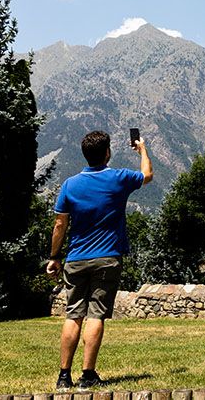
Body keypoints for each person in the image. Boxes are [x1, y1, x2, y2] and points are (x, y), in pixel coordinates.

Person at [46, 130, 152, 391]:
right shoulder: (118, 178)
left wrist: (54, 257)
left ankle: (63, 377)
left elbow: (59, 224)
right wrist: (142, 150)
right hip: (107, 259)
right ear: (107, 153)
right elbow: (147, 175)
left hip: (76, 259)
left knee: (73, 315)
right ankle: (87, 375)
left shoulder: (70, 185)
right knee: (96, 315)